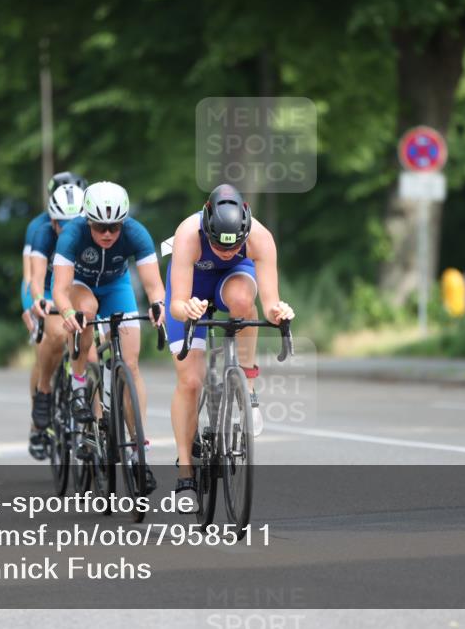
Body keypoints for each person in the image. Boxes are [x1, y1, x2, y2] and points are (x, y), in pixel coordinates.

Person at [164, 184, 294, 507]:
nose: (225, 250)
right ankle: (184, 470)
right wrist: (189, 309)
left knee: (242, 302)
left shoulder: (260, 238)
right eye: (217, 245)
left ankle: (246, 385)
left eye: (234, 244)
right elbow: (177, 303)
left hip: (234, 279)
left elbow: (270, 302)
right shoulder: (187, 235)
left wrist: (279, 312)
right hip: (193, 287)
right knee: (191, 381)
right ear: (206, 229)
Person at [51, 181, 166, 492]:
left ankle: (136, 450)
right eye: (100, 227)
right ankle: (78, 383)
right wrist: (66, 314)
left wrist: (158, 305)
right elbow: (59, 290)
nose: (107, 234)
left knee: (130, 362)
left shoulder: (136, 233)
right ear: (88, 220)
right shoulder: (72, 235)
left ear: (123, 222)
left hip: (117, 287)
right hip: (81, 285)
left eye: (114, 227)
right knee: (85, 311)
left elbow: (154, 285)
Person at [25, 176, 87, 460]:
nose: (69, 230)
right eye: (62, 223)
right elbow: (32, 278)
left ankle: (95, 426)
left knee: (93, 347)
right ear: (52, 220)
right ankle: (43, 395)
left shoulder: (94, 228)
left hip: (78, 286)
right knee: (54, 336)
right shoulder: (39, 230)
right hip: (47, 287)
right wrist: (32, 305)